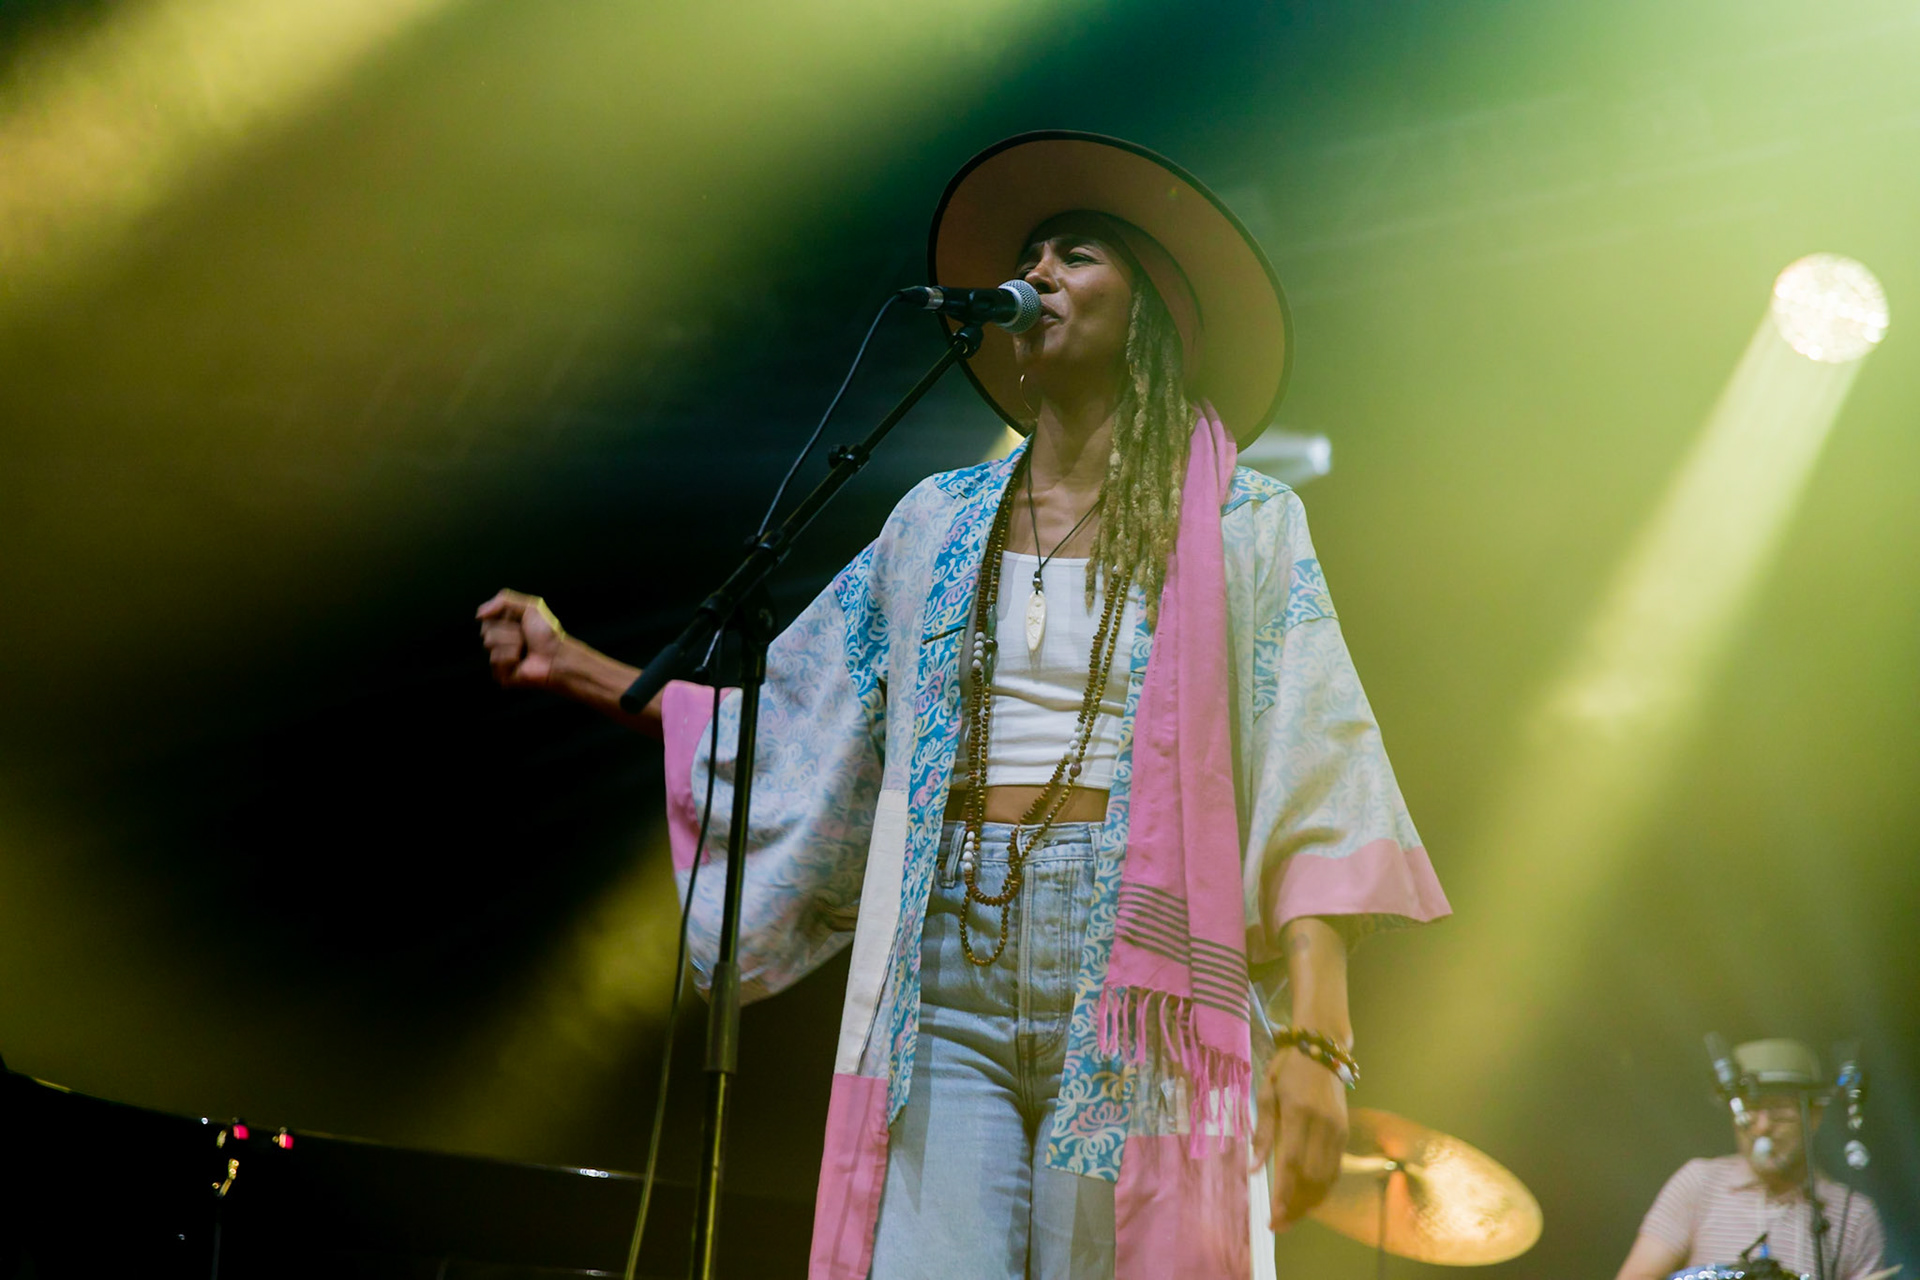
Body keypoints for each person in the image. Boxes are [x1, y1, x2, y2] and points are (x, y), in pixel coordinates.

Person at [477, 132, 1449, 1279]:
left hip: (1135, 978)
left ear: (1150, 311)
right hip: (949, 970)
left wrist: (1318, 1036)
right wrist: (573, 661)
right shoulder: (935, 519)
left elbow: (1313, 772)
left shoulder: (1244, 518)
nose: (1036, 273)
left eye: (1075, 255)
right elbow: (793, 715)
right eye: (1029, 255)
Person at [1614, 1038, 1887, 1280]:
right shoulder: (1699, 1183)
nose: (1762, 1127)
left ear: (1814, 1117)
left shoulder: (1855, 1215)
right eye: (1751, 1110)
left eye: (1778, 1109)